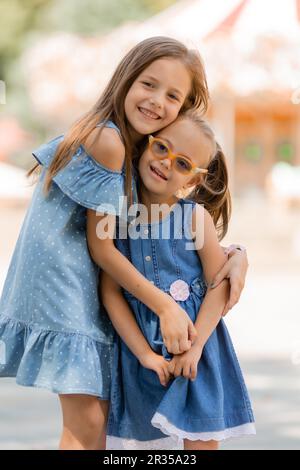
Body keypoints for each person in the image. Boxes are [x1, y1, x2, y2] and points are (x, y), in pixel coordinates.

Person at [0, 37, 248, 450]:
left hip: (81, 283)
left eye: (172, 95)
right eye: (148, 84)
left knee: (94, 423)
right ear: (126, 78)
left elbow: (170, 216)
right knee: (87, 423)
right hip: (65, 285)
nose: (155, 101)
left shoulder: (138, 148)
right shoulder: (109, 142)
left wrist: (236, 255)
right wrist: (166, 306)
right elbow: (101, 248)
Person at [102, 111, 255, 450]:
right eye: (162, 149)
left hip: (196, 351)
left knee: (198, 443)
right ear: (146, 145)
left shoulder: (194, 218)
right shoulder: (118, 218)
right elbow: (110, 293)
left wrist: (196, 347)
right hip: (142, 354)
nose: (167, 164)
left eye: (183, 164)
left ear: (194, 180)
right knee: (143, 446)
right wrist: (144, 354)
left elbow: (219, 284)